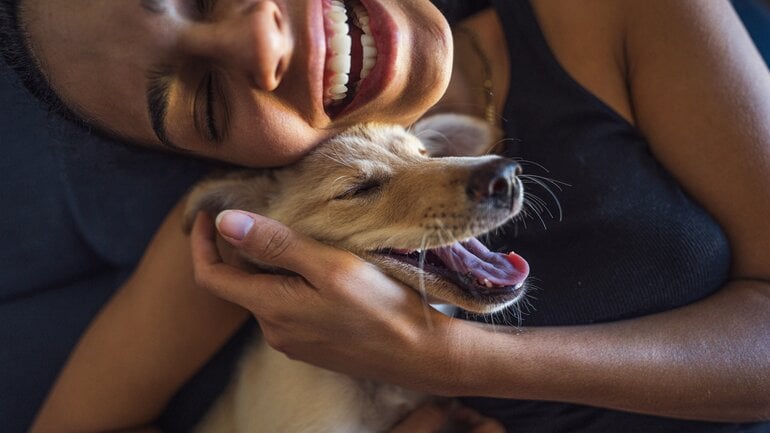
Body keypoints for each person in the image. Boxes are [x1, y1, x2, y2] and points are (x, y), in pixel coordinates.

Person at [1, 1, 769, 433]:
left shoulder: (617, 17)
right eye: (204, 98)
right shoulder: (255, 226)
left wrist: (445, 358)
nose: (260, 39)